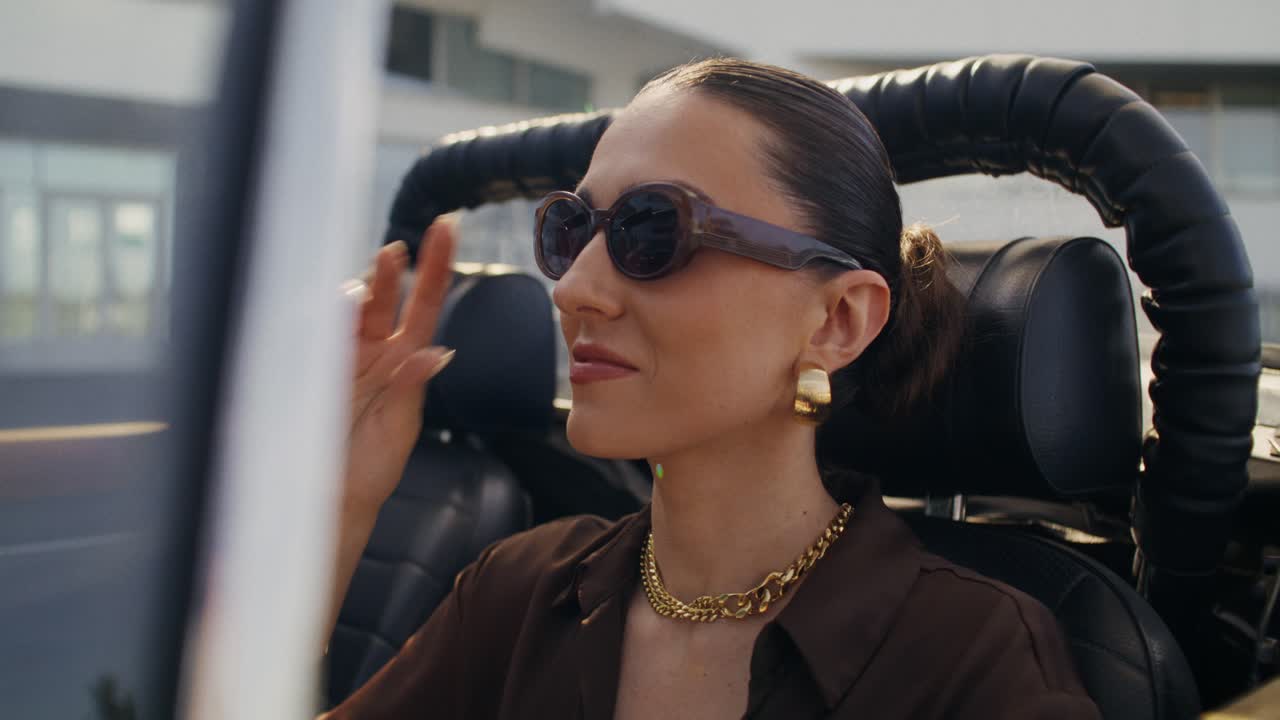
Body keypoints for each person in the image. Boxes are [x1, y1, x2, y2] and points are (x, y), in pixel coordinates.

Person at [321, 58, 1101, 719]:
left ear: (837, 320)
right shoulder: (521, 593)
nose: (573, 288)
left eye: (652, 229)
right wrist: (336, 506)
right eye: (570, 229)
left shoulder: (971, 664)